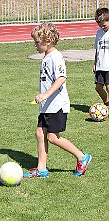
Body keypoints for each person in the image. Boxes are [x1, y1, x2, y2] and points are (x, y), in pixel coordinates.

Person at [23, 22, 92, 178]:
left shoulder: (56, 57)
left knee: (53, 137)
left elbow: (61, 78)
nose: (35, 45)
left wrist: (45, 94)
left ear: (48, 41)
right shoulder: (47, 56)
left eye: (37, 42)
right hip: (46, 106)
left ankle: (82, 157)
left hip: (56, 105)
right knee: (40, 133)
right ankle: (41, 169)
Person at [93, 7, 109, 106]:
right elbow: (97, 49)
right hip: (100, 65)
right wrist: (94, 63)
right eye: (100, 26)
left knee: (108, 87)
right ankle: (107, 103)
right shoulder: (99, 32)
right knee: (98, 88)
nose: (102, 28)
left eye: (104, 25)